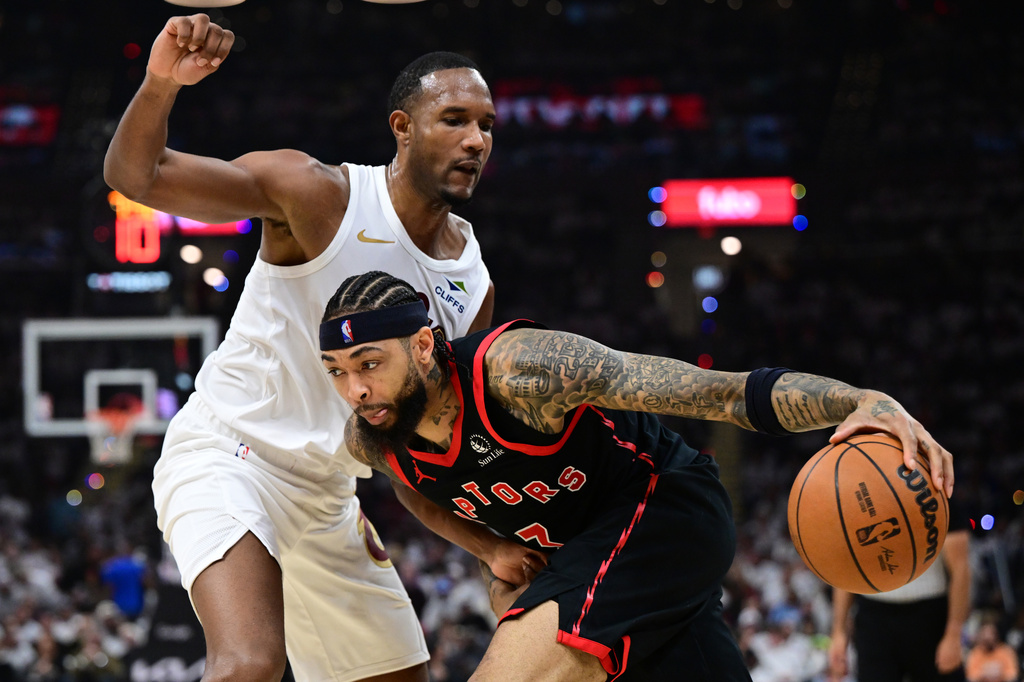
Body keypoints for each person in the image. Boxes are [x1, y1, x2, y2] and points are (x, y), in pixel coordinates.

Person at [103, 14, 540, 682]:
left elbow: (416, 449)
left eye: (486, 126)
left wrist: (489, 546)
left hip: (329, 495)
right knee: (248, 664)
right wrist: (161, 82)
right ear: (402, 128)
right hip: (230, 456)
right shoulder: (316, 193)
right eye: (454, 119)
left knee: (399, 677)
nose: (475, 139)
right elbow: (138, 175)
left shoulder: (471, 283)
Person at [316, 271, 956, 681]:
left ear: (426, 346)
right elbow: (410, 484)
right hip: (600, 564)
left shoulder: (521, 371)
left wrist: (856, 401)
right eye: (336, 369)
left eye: (368, 362)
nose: (355, 388)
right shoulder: (374, 434)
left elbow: (718, 393)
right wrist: (487, 547)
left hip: (662, 512)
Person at [828, 500, 971, 682]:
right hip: (874, 618)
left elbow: (960, 570)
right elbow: (846, 568)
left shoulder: (934, 491)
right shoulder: (855, 496)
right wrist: (838, 632)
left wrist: (953, 634)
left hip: (930, 616)